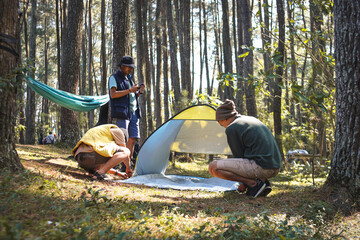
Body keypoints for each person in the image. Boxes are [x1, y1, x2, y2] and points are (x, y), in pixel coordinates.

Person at [208, 100, 282, 198]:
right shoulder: (250, 119)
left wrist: (243, 183)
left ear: (224, 119)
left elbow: (239, 157)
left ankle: (253, 184)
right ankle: (263, 182)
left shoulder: (232, 127)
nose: (221, 125)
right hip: (275, 167)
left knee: (213, 167)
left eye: (220, 123)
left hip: (262, 167)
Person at [108, 56, 145, 161]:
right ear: (122, 66)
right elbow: (113, 94)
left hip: (134, 113)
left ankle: (127, 164)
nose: (130, 69)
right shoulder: (114, 78)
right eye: (128, 67)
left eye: (131, 68)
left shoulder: (130, 79)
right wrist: (129, 90)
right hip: (122, 113)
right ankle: (118, 163)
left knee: (132, 139)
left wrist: (138, 92)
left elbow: (132, 96)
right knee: (122, 139)